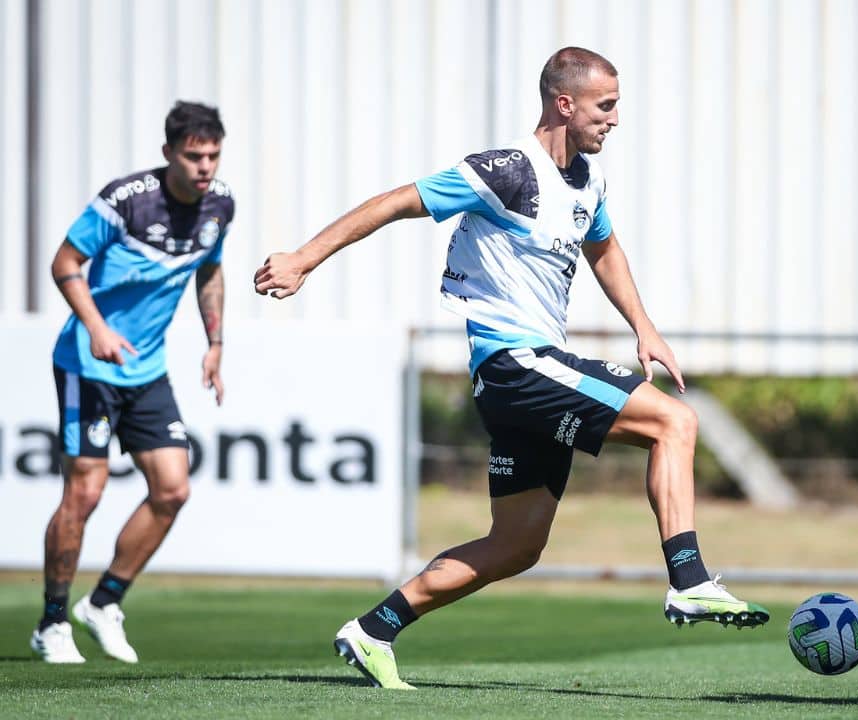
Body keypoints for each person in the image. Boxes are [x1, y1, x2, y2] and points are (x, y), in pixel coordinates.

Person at [253, 46, 769, 690]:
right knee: (675, 423)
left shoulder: (589, 181)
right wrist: (303, 258)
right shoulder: (505, 171)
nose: (614, 119)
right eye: (606, 106)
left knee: (517, 545)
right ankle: (689, 579)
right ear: (565, 103)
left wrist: (646, 327)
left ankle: (375, 628)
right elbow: (394, 202)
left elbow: (603, 247)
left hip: (522, 375)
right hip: (515, 363)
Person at [31, 101, 233, 664]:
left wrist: (215, 344)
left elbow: (210, 269)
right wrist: (95, 327)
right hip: (88, 364)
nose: (205, 166)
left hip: (146, 370)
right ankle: (51, 622)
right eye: (194, 156)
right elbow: (64, 262)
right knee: (86, 492)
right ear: (169, 153)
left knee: (173, 488)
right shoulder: (127, 200)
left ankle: (104, 603)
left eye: (213, 155)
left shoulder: (220, 206)